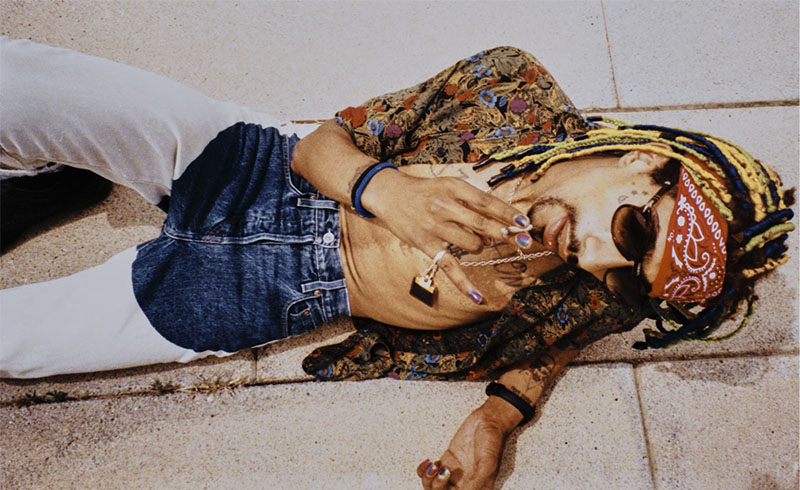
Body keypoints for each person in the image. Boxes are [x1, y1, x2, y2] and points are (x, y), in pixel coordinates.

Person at [0, 38, 793, 489]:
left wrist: (496, 418)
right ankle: (44, 178)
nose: (596, 256)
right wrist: (385, 189)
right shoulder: (511, 91)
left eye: (625, 275)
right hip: (247, 165)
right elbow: (321, 145)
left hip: (257, 295)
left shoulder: (599, 292)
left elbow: (559, 345)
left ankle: (45, 185)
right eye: (632, 227)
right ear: (644, 159)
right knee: (19, 84)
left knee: (14, 347)